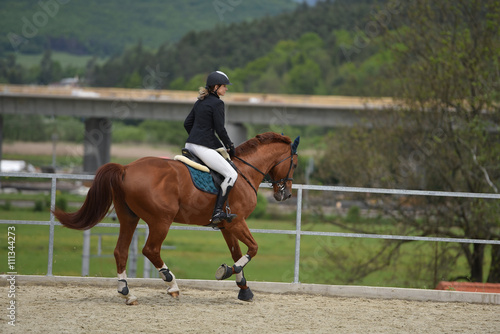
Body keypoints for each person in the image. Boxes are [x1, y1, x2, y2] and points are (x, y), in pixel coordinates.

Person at [184, 70, 238, 223]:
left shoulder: (200, 101)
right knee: (231, 175)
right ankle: (217, 213)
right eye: (224, 86)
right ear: (216, 87)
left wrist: (196, 137)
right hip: (202, 148)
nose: (226, 89)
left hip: (190, 144)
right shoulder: (218, 103)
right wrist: (229, 146)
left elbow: (187, 123)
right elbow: (220, 129)